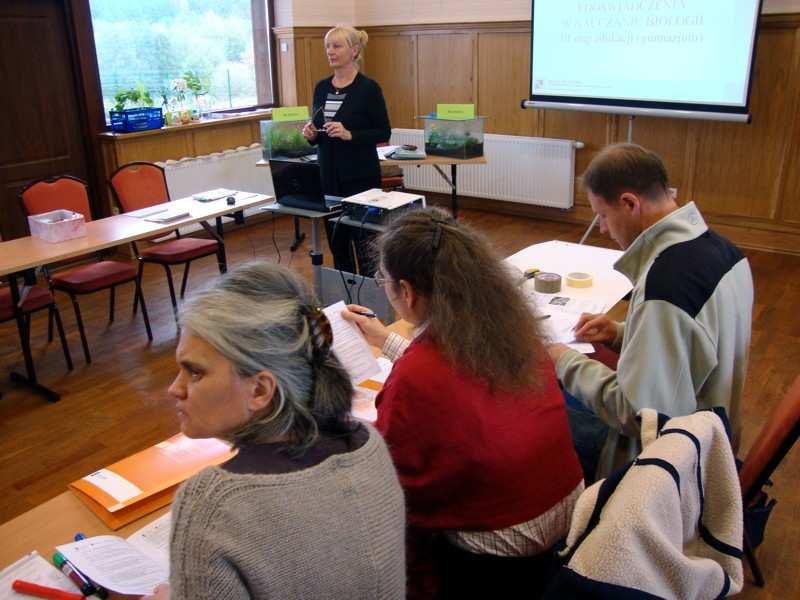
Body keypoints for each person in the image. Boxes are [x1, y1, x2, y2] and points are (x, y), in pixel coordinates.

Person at [342, 208, 584, 599]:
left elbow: (389, 471)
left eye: (384, 281)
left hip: (509, 537)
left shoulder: (417, 374)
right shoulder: (505, 325)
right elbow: (457, 378)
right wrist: (382, 338)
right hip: (566, 502)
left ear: (406, 291)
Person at [142, 262, 405, 600]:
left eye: (195, 373)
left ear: (260, 390)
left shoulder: (212, 505)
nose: (174, 389)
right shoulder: (367, 441)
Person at [547, 143, 754, 479]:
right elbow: (697, 343)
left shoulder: (665, 282)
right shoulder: (725, 251)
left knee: (534, 409)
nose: (602, 228)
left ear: (629, 203)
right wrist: (619, 332)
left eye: (602, 215)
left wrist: (562, 358)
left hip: (662, 466)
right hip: (714, 434)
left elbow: (635, 414)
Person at [302, 25, 391, 274]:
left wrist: (349, 134)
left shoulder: (368, 89)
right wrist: (311, 135)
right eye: (327, 46)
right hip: (329, 178)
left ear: (354, 50)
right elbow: (320, 133)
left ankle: (371, 301)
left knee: (364, 245)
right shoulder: (321, 87)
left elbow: (383, 132)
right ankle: (346, 303)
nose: (330, 51)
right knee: (337, 245)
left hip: (360, 178)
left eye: (337, 46)